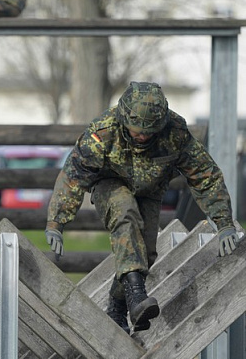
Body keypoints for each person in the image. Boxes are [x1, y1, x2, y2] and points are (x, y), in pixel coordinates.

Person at [44, 81, 240, 334]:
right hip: (109, 184)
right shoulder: (102, 132)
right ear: (124, 119)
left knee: (144, 252)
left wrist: (223, 223)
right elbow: (73, 177)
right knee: (125, 215)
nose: (143, 136)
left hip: (151, 190)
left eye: (150, 132)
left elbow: (205, 175)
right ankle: (136, 297)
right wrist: (56, 223)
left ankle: (116, 308)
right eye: (137, 131)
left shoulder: (175, 132)